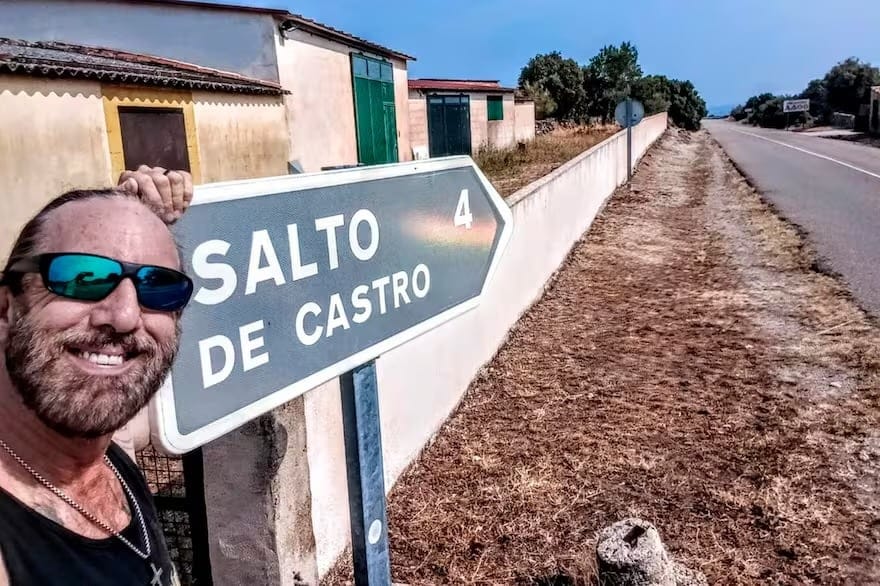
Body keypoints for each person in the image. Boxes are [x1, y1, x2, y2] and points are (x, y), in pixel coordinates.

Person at [0, 166, 194, 585]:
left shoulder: (103, 443)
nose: (125, 316)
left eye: (159, 286)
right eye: (82, 278)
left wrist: (137, 217)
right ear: (6, 309)